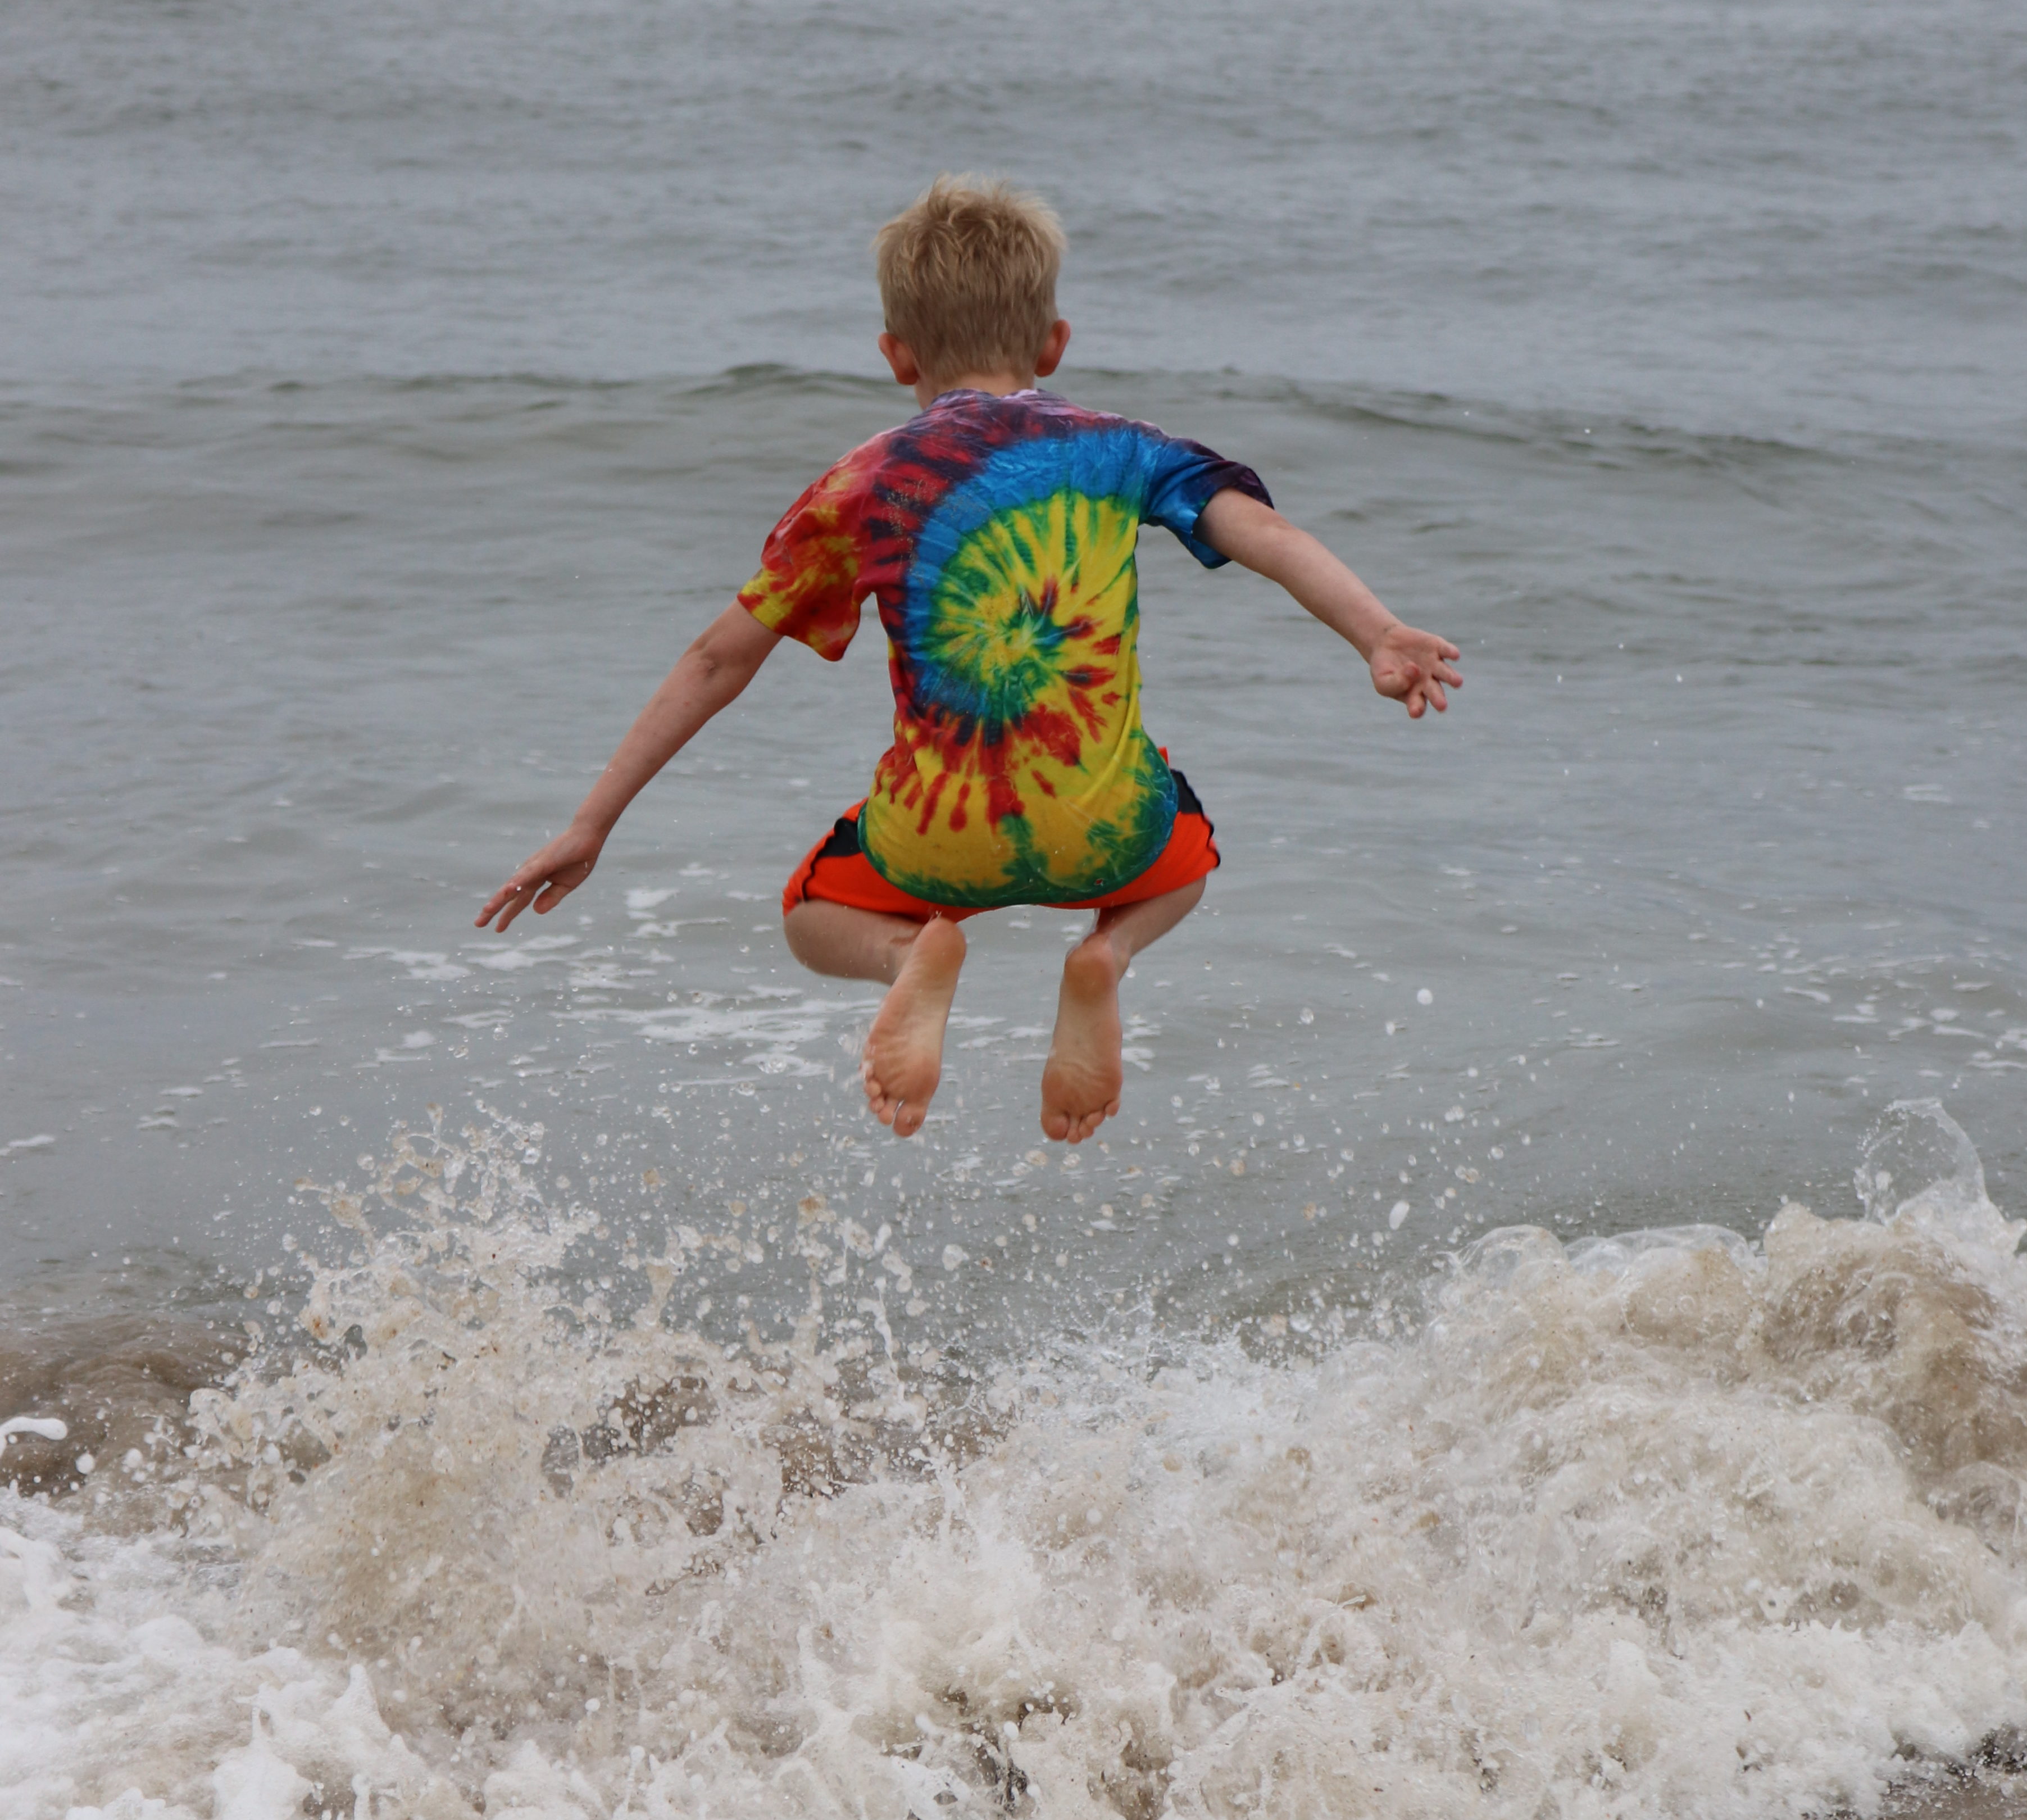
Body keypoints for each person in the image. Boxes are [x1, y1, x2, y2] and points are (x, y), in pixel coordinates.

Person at [478, 178, 1461, 1143]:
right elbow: (1262, 533)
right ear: (1054, 343)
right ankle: (1108, 959)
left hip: (931, 838)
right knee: (1186, 852)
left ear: (896, 355)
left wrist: (590, 823)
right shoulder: (1124, 449)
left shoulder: (860, 482)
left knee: (809, 909)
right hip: (1106, 833)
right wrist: (1376, 632)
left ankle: (912, 956)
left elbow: (715, 663)